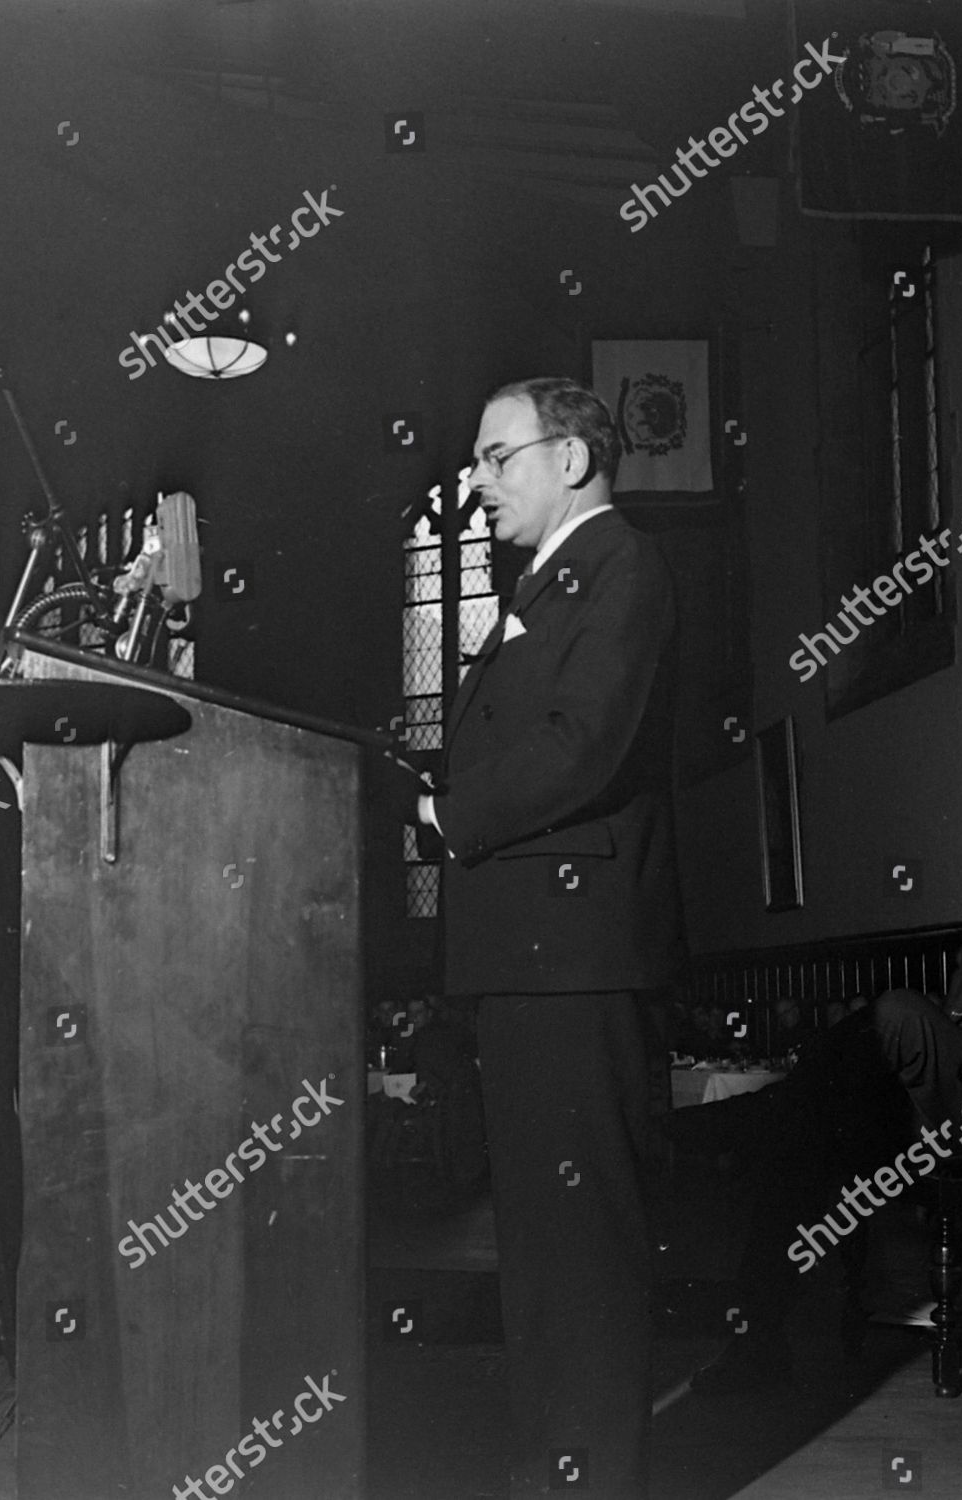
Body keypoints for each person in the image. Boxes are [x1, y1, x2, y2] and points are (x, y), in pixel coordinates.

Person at [405, 376, 683, 1497]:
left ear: (571, 458)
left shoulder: (621, 567)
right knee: (543, 1251)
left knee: (583, 1251)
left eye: (496, 456)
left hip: (573, 962)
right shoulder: (554, 577)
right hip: (532, 962)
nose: (479, 483)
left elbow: (580, 745)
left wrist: (448, 814)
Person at [675, 770, 962, 1389]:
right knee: (804, 1142)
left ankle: (721, 1124)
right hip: (953, 1109)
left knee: (895, 1012)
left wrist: (960, 1048)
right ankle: (758, 1340)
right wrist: (947, 1047)